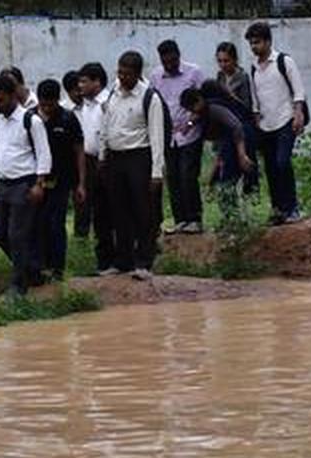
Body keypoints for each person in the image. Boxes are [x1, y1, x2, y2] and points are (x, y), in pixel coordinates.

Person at [0, 74, 51, 297]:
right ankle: (32, 269)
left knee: (17, 235)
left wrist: (39, 184)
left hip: (25, 182)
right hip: (2, 183)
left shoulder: (31, 121)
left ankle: (18, 285)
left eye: (1, 100)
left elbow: (43, 153)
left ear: (14, 96)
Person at [100, 50, 165, 280]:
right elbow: (105, 125)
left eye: (126, 74)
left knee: (142, 211)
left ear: (137, 74)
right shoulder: (112, 95)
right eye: (119, 72)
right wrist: (102, 155)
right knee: (119, 211)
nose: (122, 77)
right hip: (115, 158)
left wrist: (157, 172)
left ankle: (144, 262)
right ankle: (122, 261)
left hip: (139, 157)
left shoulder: (150, 97)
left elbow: (157, 135)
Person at [245, 21, 307, 225]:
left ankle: (292, 208)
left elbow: (298, 90)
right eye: (252, 43)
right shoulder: (254, 68)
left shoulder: (284, 61)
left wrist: (298, 113)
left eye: (257, 42)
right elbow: (255, 98)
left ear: (268, 41)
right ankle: (278, 209)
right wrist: (256, 118)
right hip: (265, 125)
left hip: (285, 120)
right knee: (271, 168)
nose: (254, 47)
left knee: (282, 163)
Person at [151, 39, 206, 235]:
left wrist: (191, 122)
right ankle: (180, 219)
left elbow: (203, 101)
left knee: (188, 176)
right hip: (168, 136)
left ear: (178, 56)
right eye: (166, 62)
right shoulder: (156, 76)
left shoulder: (194, 73)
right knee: (173, 178)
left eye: (173, 61)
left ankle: (195, 218)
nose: (170, 66)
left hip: (190, 134)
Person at [34, 79, 86, 280]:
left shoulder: (68, 119)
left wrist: (81, 183)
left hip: (61, 181)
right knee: (39, 223)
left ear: (57, 100)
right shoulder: (30, 117)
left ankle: (57, 268)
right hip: (37, 182)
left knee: (56, 224)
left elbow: (79, 150)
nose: (46, 108)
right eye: (43, 104)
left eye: (50, 104)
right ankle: (40, 266)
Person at [179, 85, 254, 206]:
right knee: (223, 175)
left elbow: (237, 128)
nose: (192, 112)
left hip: (240, 138)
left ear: (199, 100)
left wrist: (242, 154)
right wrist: (189, 124)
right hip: (228, 141)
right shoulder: (202, 113)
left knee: (230, 176)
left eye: (192, 108)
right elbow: (195, 119)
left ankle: (235, 211)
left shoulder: (214, 109)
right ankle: (230, 212)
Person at [75, 62, 111, 251]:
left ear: (97, 82)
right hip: (87, 160)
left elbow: (106, 134)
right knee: (85, 203)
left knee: (104, 206)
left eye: (84, 81)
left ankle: (107, 245)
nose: (80, 86)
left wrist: (102, 159)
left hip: (103, 162)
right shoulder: (86, 105)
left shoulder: (107, 103)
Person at [215, 41, 258, 192]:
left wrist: (231, 96)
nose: (223, 65)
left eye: (226, 61)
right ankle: (229, 206)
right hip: (225, 128)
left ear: (234, 60)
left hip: (242, 125)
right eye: (220, 61)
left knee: (247, 167)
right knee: (226, 169)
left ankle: (251, 198)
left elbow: (247, 106)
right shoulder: (219, 77)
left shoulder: (242, 77)